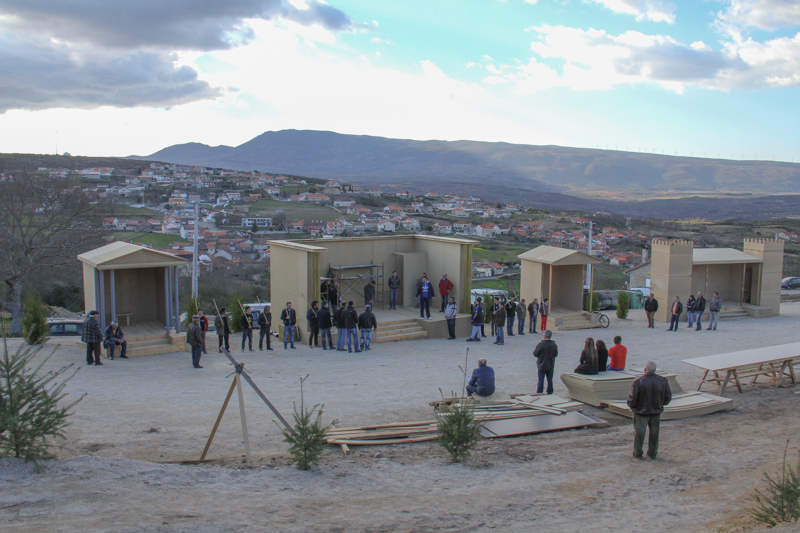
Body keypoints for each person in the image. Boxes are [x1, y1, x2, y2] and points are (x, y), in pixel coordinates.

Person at [627, 360, 672, 459]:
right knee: (654, 433)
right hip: (656, 411)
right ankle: (652, 453)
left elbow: (633, 398)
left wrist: (632, 406)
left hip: (641, 412)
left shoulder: (639, 382)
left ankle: (638, 453)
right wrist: (660, 404)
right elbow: (668, 397)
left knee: (639, 433)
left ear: (644, 369)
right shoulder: (663, 381)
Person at [533, 330, 558, 394]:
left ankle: (540, 392)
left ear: (544, 336)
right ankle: (550, 392)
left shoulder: (541, 345)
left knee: (541, 380)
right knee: (550, 380)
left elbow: (535, 354)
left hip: (542, 365)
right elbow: (556, 354)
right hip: (550, 364)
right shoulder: (554, 345)